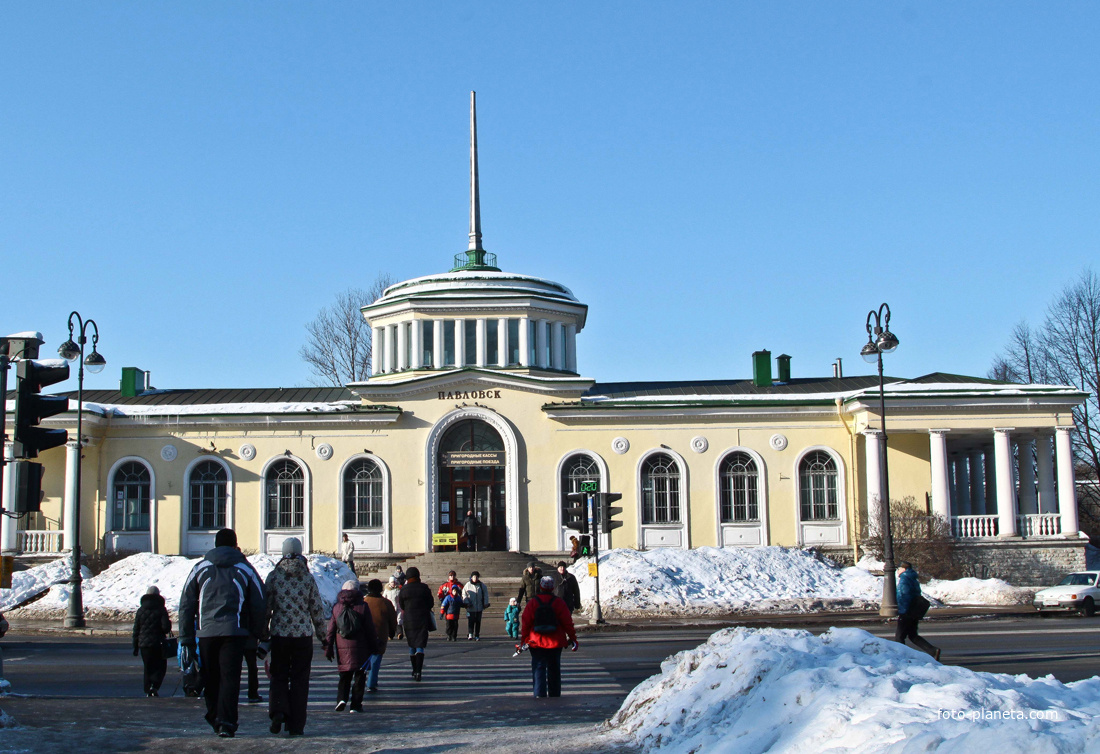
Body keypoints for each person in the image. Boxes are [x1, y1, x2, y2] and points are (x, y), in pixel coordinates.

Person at [179, 528, 266, 738]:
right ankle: (226, 722)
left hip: (206, 633)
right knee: (230, 678)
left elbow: (186, 604)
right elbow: (259, 602)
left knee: (210, 676)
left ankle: (214, 715)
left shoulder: (200, 568)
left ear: (215, 545)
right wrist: (258, 633)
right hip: (234, 633)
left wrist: (187, 638)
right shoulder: (245, 568)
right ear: (236, 545)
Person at [263, 537, 327, 737]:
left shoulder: (274, 577)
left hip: (280, 635)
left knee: (279, 675)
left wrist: (263, 632)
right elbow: (316, 609)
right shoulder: (307, 578)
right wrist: (323, 636)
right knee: (300, 680)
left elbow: (266, 608)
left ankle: (278, 711)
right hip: (302, 636)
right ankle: (296, 725)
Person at [520, 576, 578, 698]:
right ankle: (555, 695)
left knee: (538, 668)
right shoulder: (559, 602)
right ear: (552, 588)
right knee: (554, 669)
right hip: (556, 641)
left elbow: (525, 623)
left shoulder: (533, 602)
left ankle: (539, 695)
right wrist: (573, 638)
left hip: (536, 641)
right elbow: (568, 622)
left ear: (540, 587)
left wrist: (523, 641)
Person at [326, 579, 378, 713]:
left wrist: (329, 647)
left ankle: (341, 699)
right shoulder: (363, 606)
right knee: (360, 676)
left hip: (342, 647)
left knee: (344, 675)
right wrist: (374, 645)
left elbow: (331, 629)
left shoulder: (337, 607)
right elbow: (369, 628)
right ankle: (356, 705)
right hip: (361, 646)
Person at [895, 561, 940, 661]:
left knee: (899, 637)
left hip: (906, 611)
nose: (897, 571)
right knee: (913, 635)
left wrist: (902, 611)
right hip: (914, 610)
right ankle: (933, 651)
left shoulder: (904, 579)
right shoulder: (912, 578)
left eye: (898, 569)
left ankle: (901, 658)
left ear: (903, 569)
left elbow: (903, 596)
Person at [396, 566, 434, 681]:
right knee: (420, 645)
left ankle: (414, 670)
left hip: (409, 620)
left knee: (412, 645)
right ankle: (419, 671)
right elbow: (430, 603)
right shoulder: (424, 588)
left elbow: (401, 605)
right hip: (422, 619)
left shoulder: (404, 589)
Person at [132, 585, 172, 697]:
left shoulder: (140, 610)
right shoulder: (161, 609)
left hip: (144, 644)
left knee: (148, 666)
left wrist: (135, 646)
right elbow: (166, 628)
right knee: (160, 666)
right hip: (158, 643)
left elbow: (136, 629)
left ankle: (148, 688)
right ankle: (155, 686)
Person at [363, 578, 397, 692]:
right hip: (380, 634)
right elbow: (393, 620)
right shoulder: (386, 603)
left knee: (364, 657)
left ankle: (361, 678)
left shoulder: (364, 601)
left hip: (365, 635)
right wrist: (392, 632)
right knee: (376, 659)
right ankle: (372, 682)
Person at [463, 571, 490, 640]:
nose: (475, 578)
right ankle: (470, 634)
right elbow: (464, 594)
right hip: (471, 607)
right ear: (471, 577)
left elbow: (485, 595)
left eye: (476, 577)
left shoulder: (481, 585)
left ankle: (477, 635)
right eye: (474, 577)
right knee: (471, 621)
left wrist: (485, 603)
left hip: (479, 607)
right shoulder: (467, 585)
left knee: (478, 621)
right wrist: (466, 602)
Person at [243, 637, 263, 704]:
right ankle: (253, 694)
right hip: (250, 639)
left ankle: (231, 694)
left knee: (234, 669)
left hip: (237, 638)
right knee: (252, 668)